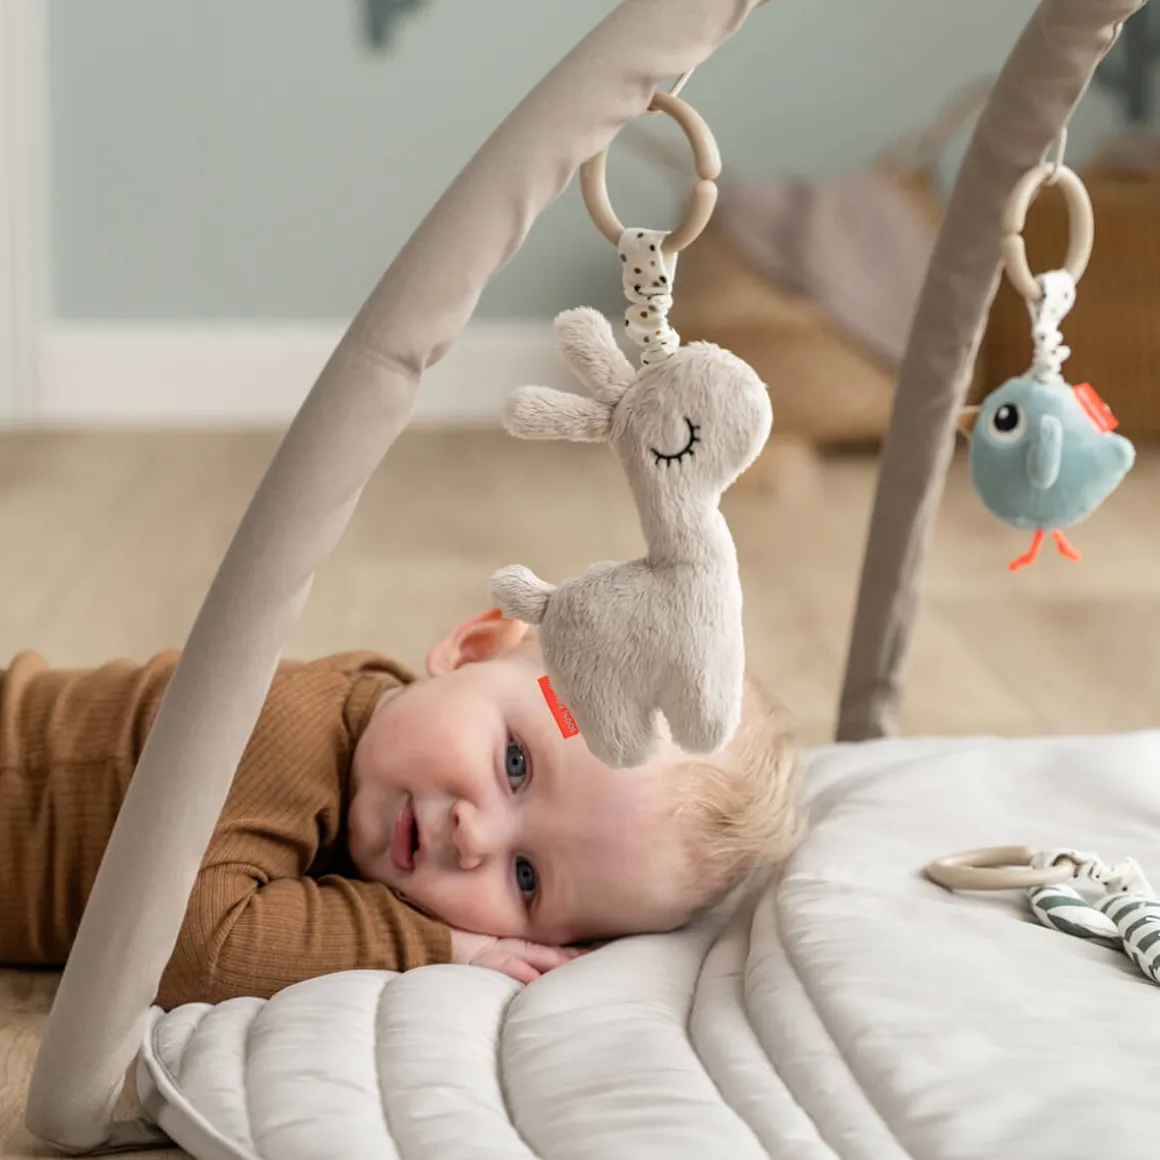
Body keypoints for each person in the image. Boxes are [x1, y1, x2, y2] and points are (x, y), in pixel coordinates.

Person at [0, 607, 802, 1008]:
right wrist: (443, 945)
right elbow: (194, 948)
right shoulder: (286, 725)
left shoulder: (395, 777)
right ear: (473, 647)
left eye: (526, 880)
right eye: (515, 763)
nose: (474, 834)